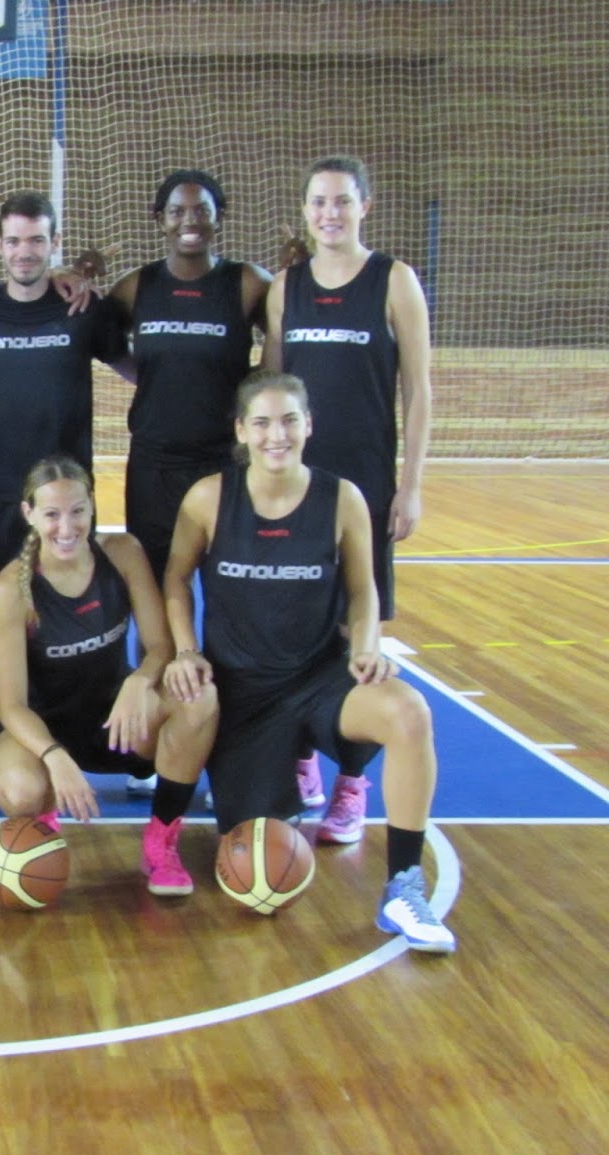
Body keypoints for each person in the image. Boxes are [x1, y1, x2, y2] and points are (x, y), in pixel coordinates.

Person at [162, 372, 454, 953]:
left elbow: (364, 590)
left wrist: (367, 644)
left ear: (309, 426)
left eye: (290, 420)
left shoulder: (341, 497)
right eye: (264, 422)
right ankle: (275, 782)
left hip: (321, 680)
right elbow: (174, 577)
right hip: (244, 696)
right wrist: (185, 649)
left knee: (409, 713)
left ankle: (402, 887)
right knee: (254, 853)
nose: (278, 434)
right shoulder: (209, 497)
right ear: (242, 430)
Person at [261, 155, 433, 833]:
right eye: (318, 202)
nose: (329, 213)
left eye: (341, 201)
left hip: (365, 485)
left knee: (354, 637)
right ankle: (304, 756)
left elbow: (419, 390)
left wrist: (412, 486)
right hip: (297, 490)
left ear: (365, 207)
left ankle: (353, 786)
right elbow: (270, 392)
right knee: (299, 629)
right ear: (304, 210)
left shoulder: (393, 281)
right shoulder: (286, 287)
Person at [0, 190, 133, 799]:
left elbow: (137, 364)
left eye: (37, 240)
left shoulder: (81, 308)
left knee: (91, 608)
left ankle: (115, 732)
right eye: (13, 241)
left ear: (53, 243)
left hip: (65, 501)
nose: (25, 252)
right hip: (0, 495)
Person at [0, 456, 219, 894]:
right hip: (41, 729)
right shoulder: (9, 590)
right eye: (51, 514)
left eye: (77, 510)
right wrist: (54, 756)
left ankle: (162, 842)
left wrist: (139, 681)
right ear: (28, 514)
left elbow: (160, 647)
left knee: (198, 697)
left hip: (115, 721)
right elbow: (12, 705)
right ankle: (45, 820)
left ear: (93, 506)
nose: (66, 527)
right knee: (19, 790)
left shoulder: (123, 554)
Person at [106, 169, 271, 582]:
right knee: (156, 577)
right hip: (153, 464)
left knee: (229, 579)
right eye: (177, 211)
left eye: (202, 210)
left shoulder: (247, 283)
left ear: (220, 217)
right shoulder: (136, 286)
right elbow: (101, 340)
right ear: (160, 218)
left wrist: (299, 277)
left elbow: (293, 334)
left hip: (223, 459)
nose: (190, 221)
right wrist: (148, 376)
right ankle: (163, 650)